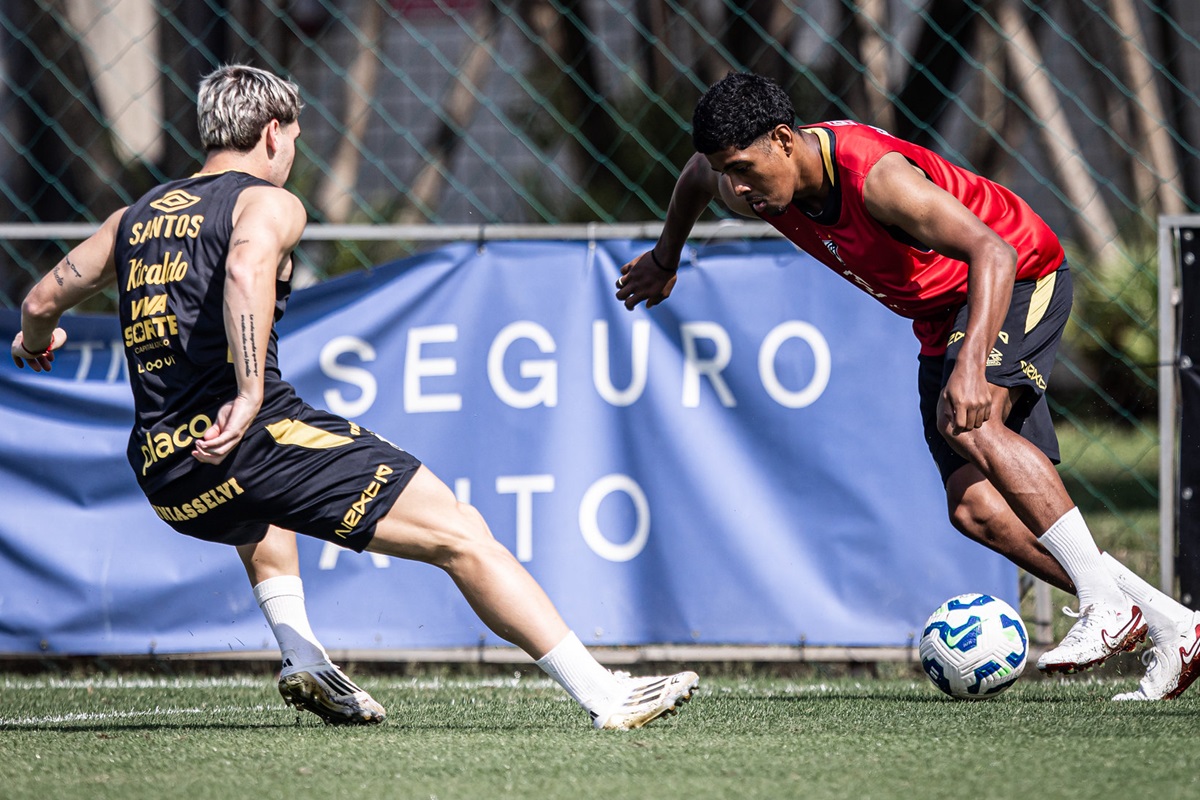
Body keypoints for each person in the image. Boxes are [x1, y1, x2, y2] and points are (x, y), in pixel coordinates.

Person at [11, 63, 698, 729]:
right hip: (248, 438)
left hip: (167, 472)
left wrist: (36, 340)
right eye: (295, 141)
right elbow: (248, 266)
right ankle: (606, 695)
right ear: (273, 132)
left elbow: (42, 298)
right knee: (460, 532)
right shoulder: (268, 201)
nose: (292, 155)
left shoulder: (135, 216)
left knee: (263, 500)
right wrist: (249, 394)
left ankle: (303, 655)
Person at [614, 71, 1200, 701]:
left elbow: (994, 254)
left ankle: (1105, 606)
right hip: (940, 316)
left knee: (969, 422)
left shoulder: (876, 179)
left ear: (784, 139)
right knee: (976, 511)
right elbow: (695, 180)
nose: (736, 186)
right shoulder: (739, 183)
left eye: (744, 168)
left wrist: (972, 366)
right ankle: (1174, 625)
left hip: (1019, 274)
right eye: (727, 171)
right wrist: (666, 258)